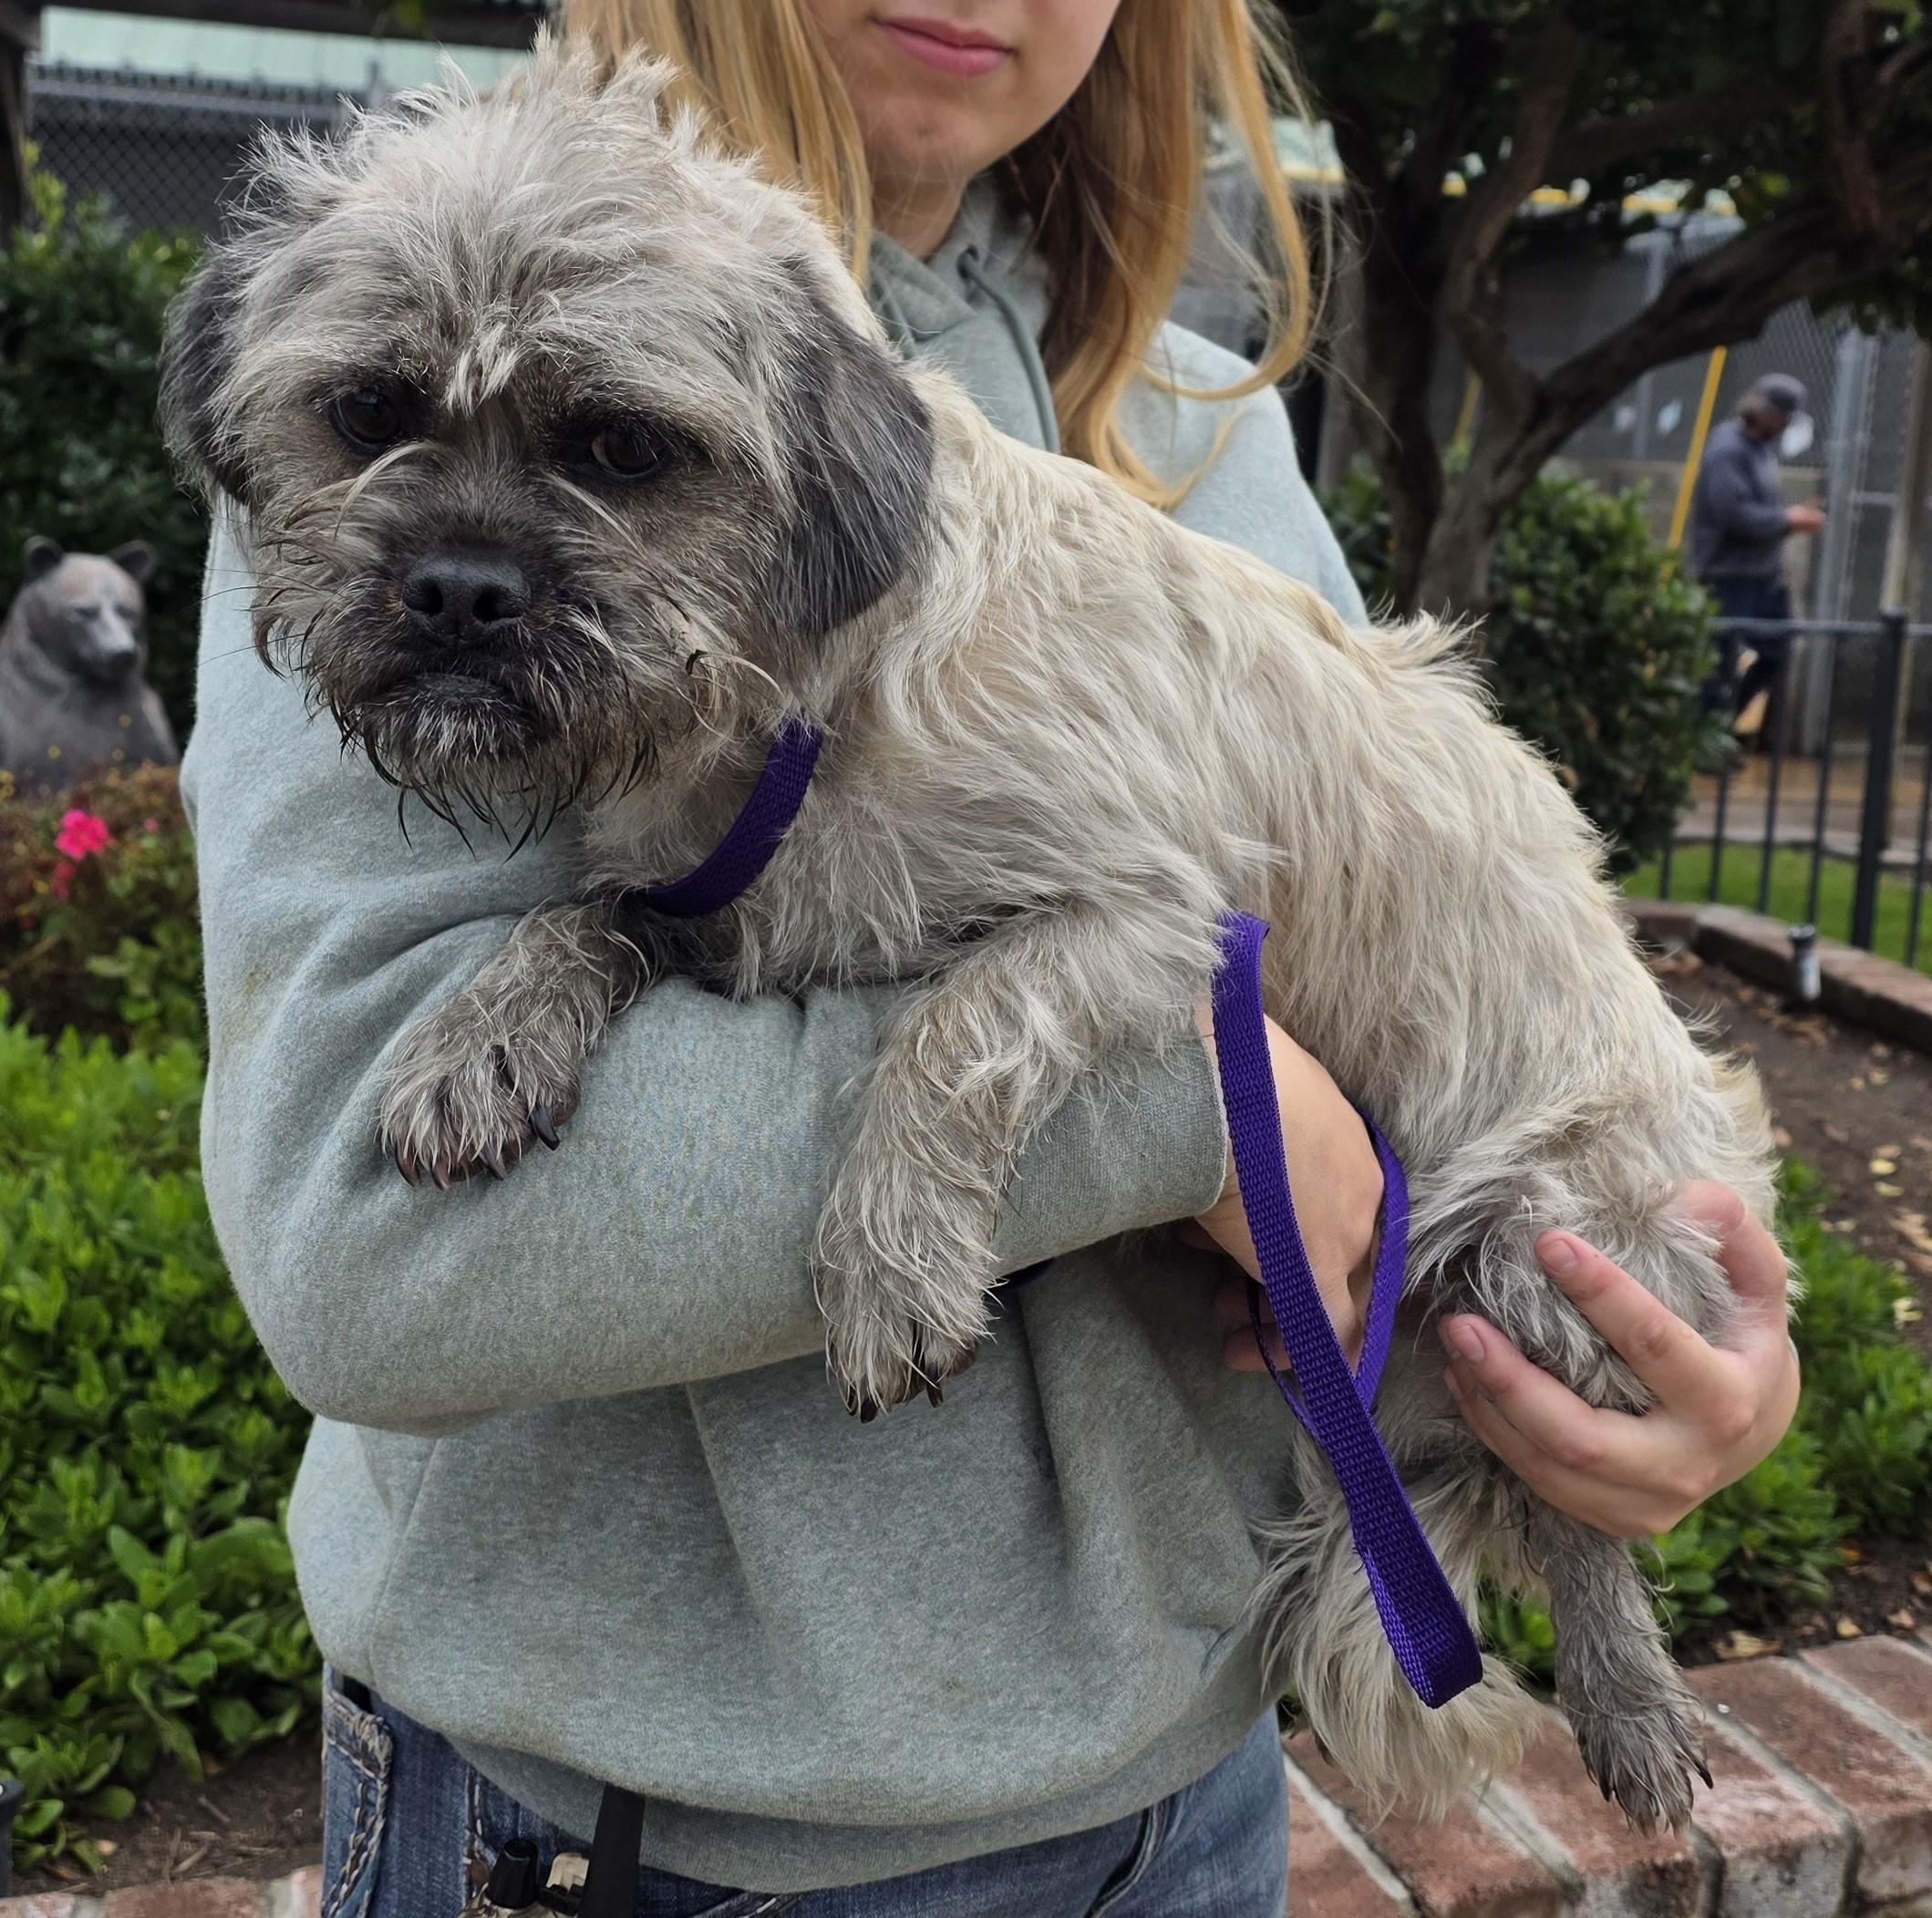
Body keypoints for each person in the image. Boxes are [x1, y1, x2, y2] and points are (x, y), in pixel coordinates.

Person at [179, 5, 1802, 1913]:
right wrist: (1195, 1096)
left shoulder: (1207, 421)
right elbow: (368, 1243)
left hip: (1191, 1797)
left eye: (617, 453)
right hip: (644, 1845)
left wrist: (1694, 1392)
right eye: (379, 430)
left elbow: (1407, 991)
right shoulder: (401, 316)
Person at [1689, 372, 1825, 738]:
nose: (1783, 426)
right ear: (1767, 413)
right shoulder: (1728, 448)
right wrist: (1788, 519)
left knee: (1775, 651)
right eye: (1781, 417)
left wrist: (1788, 516)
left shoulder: (1760, 451)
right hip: (1729, 575)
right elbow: (1733, 514)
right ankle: (1704, 740)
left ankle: (1720, 731)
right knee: (1719, 663)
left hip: (1761, 577)